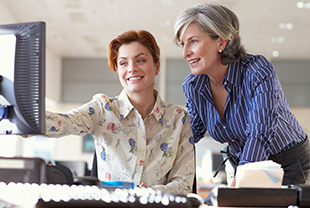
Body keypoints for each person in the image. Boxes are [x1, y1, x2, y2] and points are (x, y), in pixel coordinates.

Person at [173, 3, 310, 186]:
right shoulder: (193, 86)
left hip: (285, 161)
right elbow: (190, 133)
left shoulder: (258, 71)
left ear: (221, 42)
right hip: (241, 161)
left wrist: (238, 188)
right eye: (183, 44)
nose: (185, 53)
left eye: (193, 41)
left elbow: (259, 134)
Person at [46, 30, 195, 195]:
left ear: (157, 66)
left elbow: (183, 185)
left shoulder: (179, 119)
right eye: (123, 63)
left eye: (140, 60)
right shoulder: (102, 110)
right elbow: (61, 123)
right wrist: (19, 115)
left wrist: (150, 193)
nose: (132, 68)